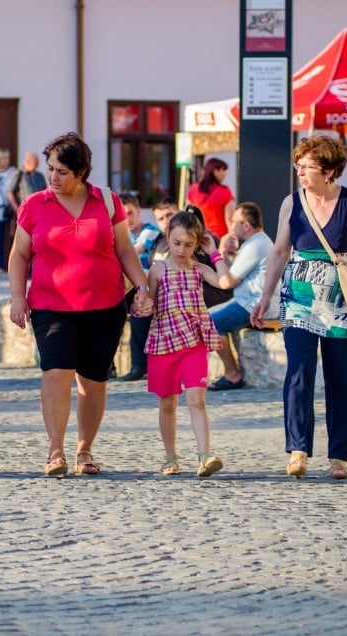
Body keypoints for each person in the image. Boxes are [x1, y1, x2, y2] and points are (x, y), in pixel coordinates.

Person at [8, 131, 152, 476]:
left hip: (105, 306)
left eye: (62, 172)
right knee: (56, 373)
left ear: (81, 172)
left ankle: (84, 450)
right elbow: (18, 255)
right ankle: (55, 450)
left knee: (93, 381)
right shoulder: (34, 205)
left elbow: (124, 250)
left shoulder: (106, 201)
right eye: (50, 169)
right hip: (51, 305)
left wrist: (142, 286)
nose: (53, 177)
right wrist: (17, 296)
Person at [250, 135, 347, 481]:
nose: (300, 172)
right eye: (299, 166)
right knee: (299, 371)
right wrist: (265, 297)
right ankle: (298, 450)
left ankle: (339, 456)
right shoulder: (291, 203)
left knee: (341, 377)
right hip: (298, 296)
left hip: (339, 297)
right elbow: (279, 251)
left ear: (328, 170)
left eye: (307, 167)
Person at [145, 209, 234, 477]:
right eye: (176, 242)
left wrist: (215, 252)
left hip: (193, 342)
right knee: (167, 403)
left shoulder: (201, 269)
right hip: (163, 343)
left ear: (197, 243)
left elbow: (226, 282)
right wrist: (140, 306)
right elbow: (147, 306)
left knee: (197, 400)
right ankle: (170, 457)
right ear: (167, 238)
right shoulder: (157, 270)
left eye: (188, 244)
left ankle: (205, 456)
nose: (181, 249)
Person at [207, 202, 274, 391]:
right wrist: (224, 255)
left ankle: (232, 374)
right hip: (249, 301)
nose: (231, 227)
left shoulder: (256, 245)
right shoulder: (258, 242)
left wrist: (216, 253)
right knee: (206, 317)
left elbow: (227, 282)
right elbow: (234, 275)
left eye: (234, 222)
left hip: (252, 304)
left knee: (209, 323)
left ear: (246, 225)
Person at [117, 193, 160, 382]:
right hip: (124, 285)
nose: (126, 219)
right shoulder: (119, 234)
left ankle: (139, 365)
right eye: (122, 215)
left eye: (130, 213)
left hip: (146, 285)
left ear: (139, 212)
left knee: (139, 310)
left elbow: (134, 252)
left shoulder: (150, 231)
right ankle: (107, 365)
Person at [186, 158, 235, 240]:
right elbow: (229, 220)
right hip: (219, 237)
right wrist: (233, 238)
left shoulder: (193, 189)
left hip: (198, 236)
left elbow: (187, 213)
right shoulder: (225, 191)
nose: (225, 174)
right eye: (223, 170)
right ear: (215, 171)